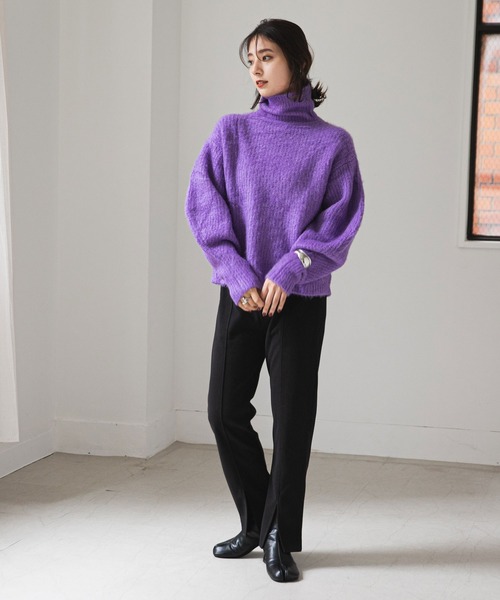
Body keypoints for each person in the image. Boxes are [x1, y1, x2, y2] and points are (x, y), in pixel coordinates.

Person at [185, 18, 364, 583]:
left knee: (291, 423)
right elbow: (204, 205)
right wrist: (237, 274)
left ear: (297, 61)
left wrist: (290, 270)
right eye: (251, 60)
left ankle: (278, 537)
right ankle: (258, 522)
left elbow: (339, 221)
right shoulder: (231, 132)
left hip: (298, 300)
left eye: (266, 57)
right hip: (241, 296)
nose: (256, 69)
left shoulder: (332, 143)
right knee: (222, 412)